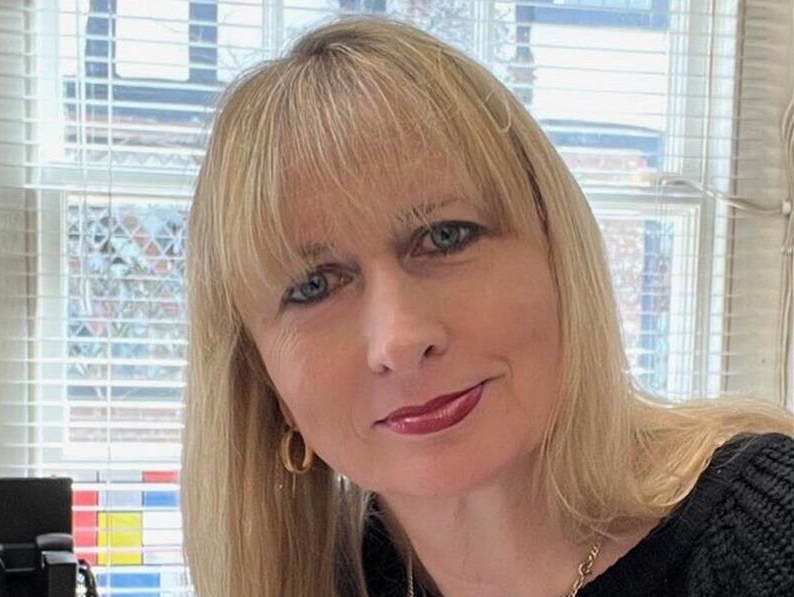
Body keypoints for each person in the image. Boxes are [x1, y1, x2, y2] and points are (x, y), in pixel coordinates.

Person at [181, 16, 794, 597]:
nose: (399, 340)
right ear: (269, 386)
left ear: (558, 255)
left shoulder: (767, 534)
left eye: (445, 237)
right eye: (314, 286)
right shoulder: (311, 578)